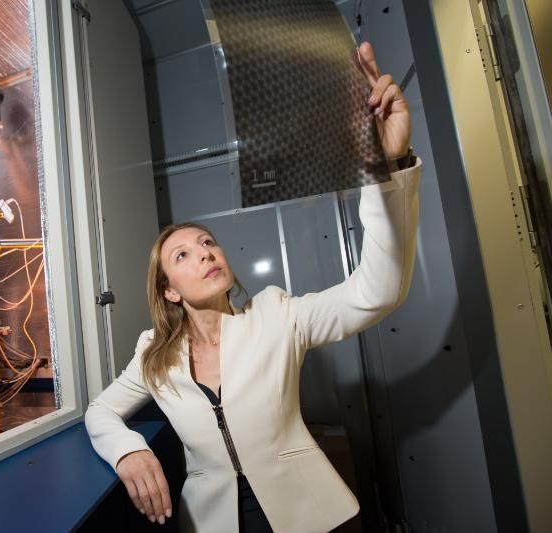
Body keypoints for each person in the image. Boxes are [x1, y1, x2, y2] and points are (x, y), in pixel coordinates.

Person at [84, 42, 420, 532]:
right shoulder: (154, 354)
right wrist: (128, 451)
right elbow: (100, 412)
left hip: (311, 516)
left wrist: (384, 167)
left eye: (208, 243)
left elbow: (379, 291)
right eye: (183, 255)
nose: (205, 252)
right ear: (170, 291)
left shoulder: (277, 314)